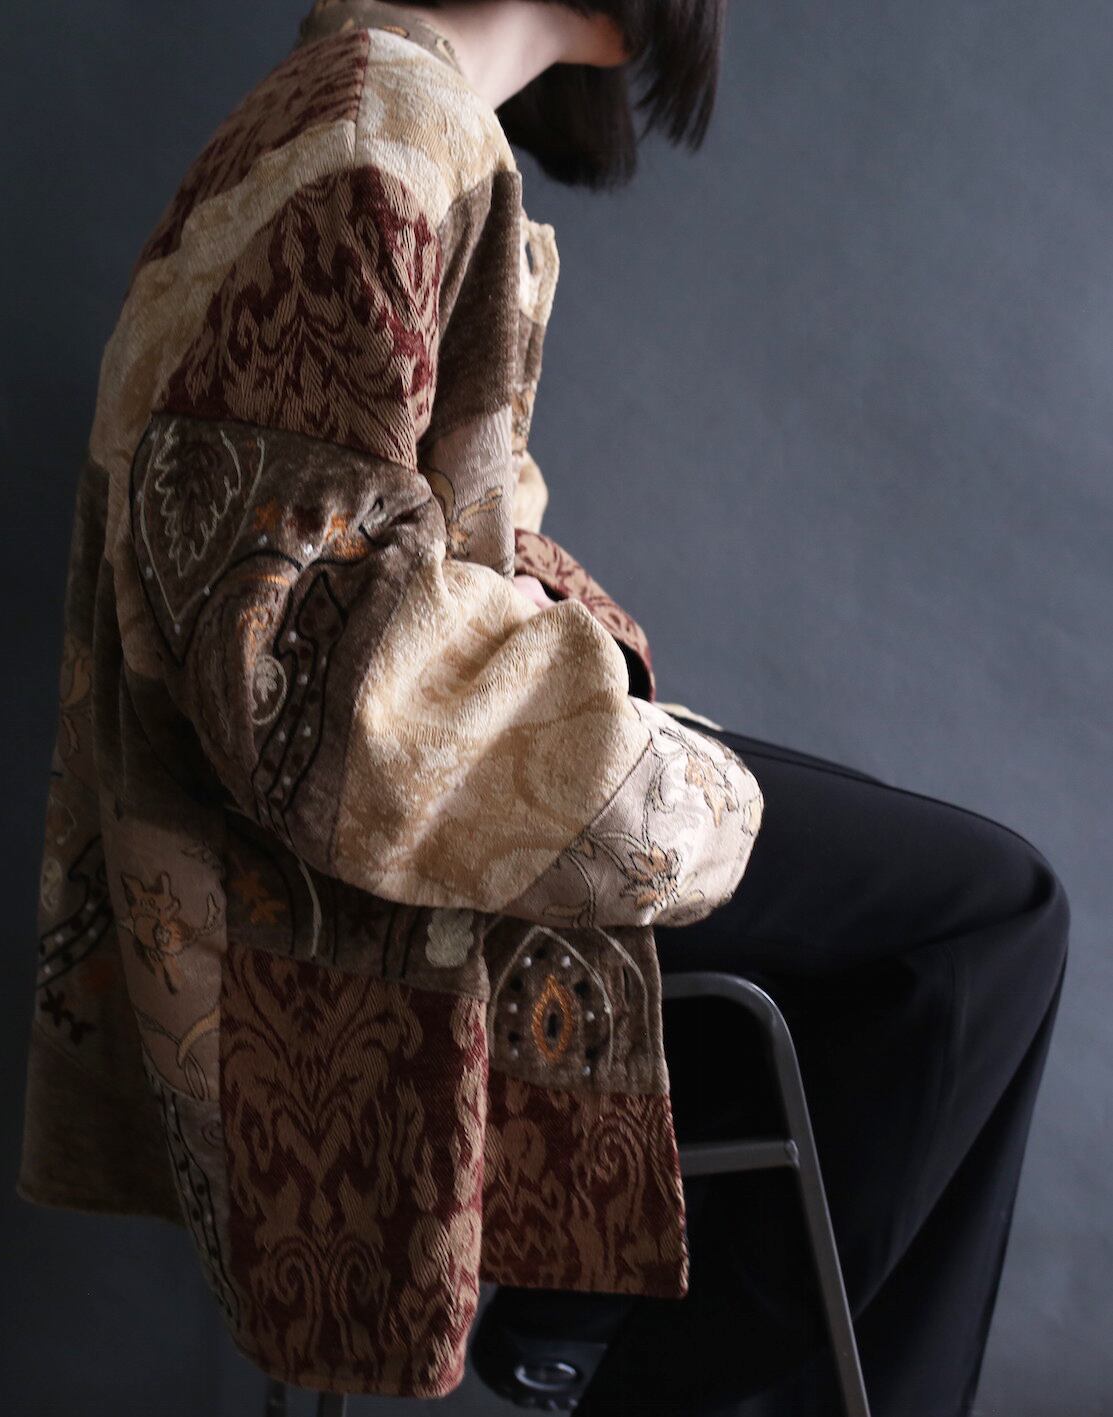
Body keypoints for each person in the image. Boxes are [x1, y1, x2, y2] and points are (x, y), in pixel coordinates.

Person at [374, 4, 1072, 1415]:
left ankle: (593, 1310)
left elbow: (416, 544)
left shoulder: (400, 123)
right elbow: (346, 623)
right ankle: (655, 1370)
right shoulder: (387, 148)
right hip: (447, 795)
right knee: (991, 921)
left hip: (472, 760)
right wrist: (605, 706)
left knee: (896, 955)